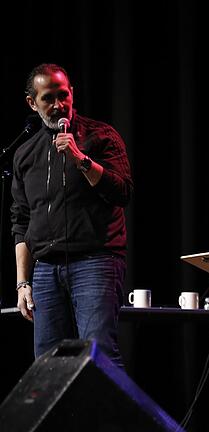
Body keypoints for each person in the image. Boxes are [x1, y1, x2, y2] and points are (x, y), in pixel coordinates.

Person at [12, 64, 133, 368]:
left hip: (95, 262)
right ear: (32, 102)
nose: (58, 105)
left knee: (99, 357)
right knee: (47, 365)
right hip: (45, 271)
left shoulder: (101, 136)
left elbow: (122, 192)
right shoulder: (25, 154)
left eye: (63, 95)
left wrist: (80, 159)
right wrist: (22, 283)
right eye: (48, 98)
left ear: (72, 93)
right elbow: (22, 221)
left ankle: (107, 418)